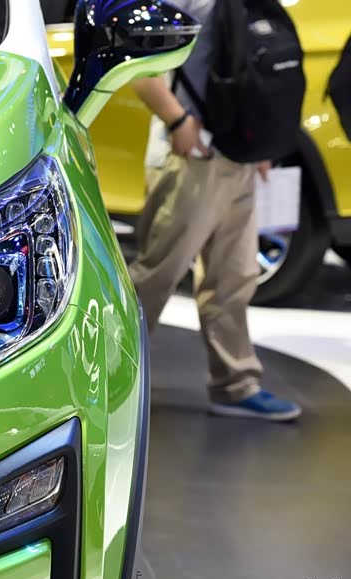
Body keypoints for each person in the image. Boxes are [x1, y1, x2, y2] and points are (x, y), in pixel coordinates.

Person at [128, 0, 302, 421]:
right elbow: (138, 64)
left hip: (238, 154)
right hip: (192, 155)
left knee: (234, 276)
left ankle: (236, 385)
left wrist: (261, 142)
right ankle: (109, 379)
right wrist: (176, 121)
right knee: (157, 274)